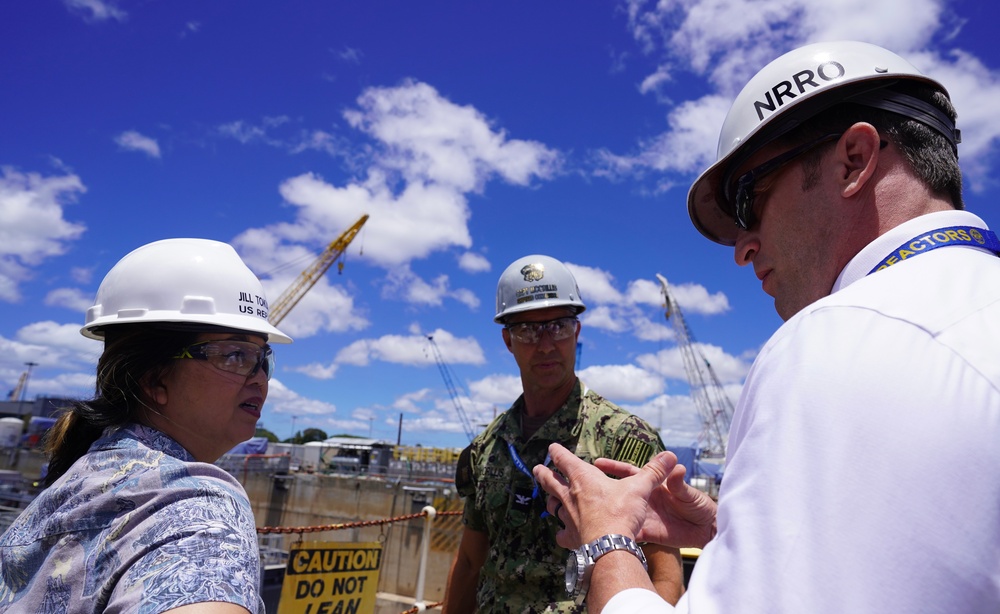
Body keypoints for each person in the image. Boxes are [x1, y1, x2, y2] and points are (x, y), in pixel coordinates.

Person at [533, 40, 1000, 613]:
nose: (743, 247)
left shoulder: (838, 341)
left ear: (854, 159)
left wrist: (606, 540)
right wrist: (733, 533)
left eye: (750, 200)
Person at [0, 238, 292, 613]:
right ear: (154, 379)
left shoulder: (75, 483)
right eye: (235, 355)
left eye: (262, 359)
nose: (260, 379)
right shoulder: (194, 504)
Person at [442, 254, 685, 613]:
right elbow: (469, 562)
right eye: (527, 330)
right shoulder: (487, 447)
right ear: (508, 341)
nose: (544, 344)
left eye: (558, 326)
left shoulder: (624, 439)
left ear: (577, 331)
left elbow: (665, 578)